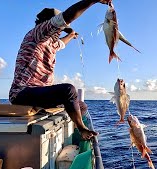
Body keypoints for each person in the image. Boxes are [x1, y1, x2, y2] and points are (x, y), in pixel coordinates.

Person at [9, 0, 110, 140]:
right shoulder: (37, 33)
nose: (60, 30)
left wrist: (71, 34)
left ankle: (80, 135)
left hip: (38, 94)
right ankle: (82, 129)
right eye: (59, 27)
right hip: (22, 93)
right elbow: (66, 17)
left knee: (81, 106)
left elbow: (62, 43)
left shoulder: (50, 42)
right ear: (48, 23)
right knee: (68, 90)